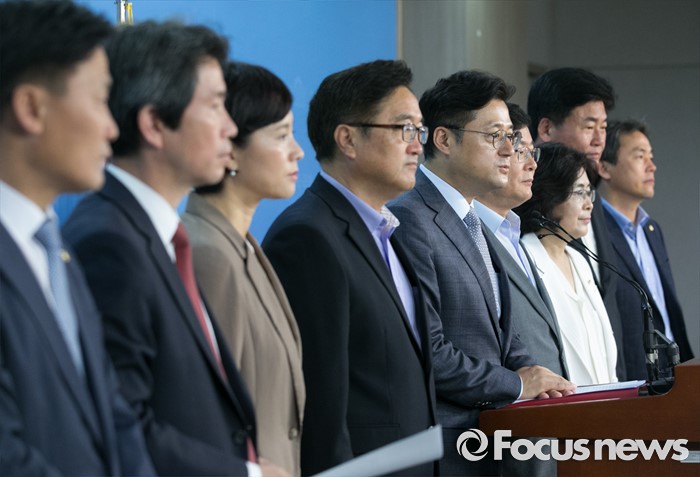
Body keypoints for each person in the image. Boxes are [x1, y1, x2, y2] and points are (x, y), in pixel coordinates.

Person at [63, 21, 286, 477]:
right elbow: (121, 423)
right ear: (155, 124)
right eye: (215, 105)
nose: (230, 127)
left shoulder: (157, 235)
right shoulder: (109, 242)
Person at [388, 71, 574, 476]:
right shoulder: (411, 219)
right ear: (444, 140)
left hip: (495, 443)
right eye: (495, 136)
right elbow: (429, 351)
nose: (509, 149)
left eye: (510, 136)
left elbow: (503, 332)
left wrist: (544, 380)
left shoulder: (473, 217)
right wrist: (518, 384)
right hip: (449, 452)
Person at [262, 60, 437, 476]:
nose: (417, 146)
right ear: (348, 139)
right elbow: (319, 401)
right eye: (404, 129)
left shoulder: (388, 230)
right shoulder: (308, 237)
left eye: (420, 131)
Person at [0, 1, 154, 475]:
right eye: (100, 100)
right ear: (32, 107)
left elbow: (114, 414)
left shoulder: (55, 248)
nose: (112, 128)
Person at [182, 61, 305, 475]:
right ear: (230, 146)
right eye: (281, 136)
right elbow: (208, 412)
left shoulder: (244, 245)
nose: (297, 151)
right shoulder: (207, 254)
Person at [528, 67, 626, 380]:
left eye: (604, 127)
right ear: (546, 128)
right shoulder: (518, 217)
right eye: (588, 126)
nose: (600, 140)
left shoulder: (592, 203)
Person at [474, 102, 568, 379]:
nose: (532, 164)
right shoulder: (470, 234)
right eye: (521, 151)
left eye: (532, 152)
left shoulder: (513, 232)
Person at [516, 143, 618, 385]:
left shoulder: (580, 260)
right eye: (579, 192)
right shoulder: (524, 259)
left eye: (589, 192)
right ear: (550, 195)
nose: (589, 204)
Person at [599, 120, 694, 379]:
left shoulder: (651, 229)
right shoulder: (594, 231)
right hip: (634, 380)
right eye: (640, 156)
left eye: (650, 157)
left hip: (674, 373)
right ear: (604, 167)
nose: (652, 166)